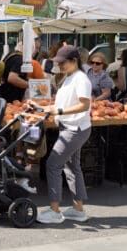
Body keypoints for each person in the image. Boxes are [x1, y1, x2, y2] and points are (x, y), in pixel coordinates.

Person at [37, 45, 92, 225]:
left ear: (74, 61)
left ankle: (54, 211)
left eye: (62, 63)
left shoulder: (81, 79)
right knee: (72, 167)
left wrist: (59, 111)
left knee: (53, 164)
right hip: (71, 127)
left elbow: (84, 105)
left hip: (74, 129)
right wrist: (47, 108)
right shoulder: (69, 77)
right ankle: (78, 210)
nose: (60, 66)